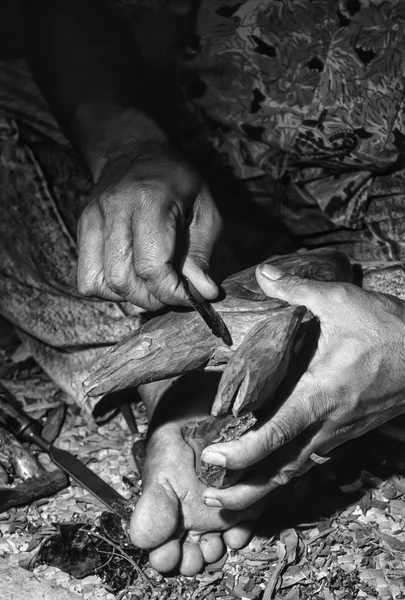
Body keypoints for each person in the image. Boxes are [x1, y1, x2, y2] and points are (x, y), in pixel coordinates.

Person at [2, 0, 405, 576]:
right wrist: (125, 146)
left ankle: (311, 378)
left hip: (386, 195)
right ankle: (190, 386)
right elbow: (64, 14)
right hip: (193, 133)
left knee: (382, 333)